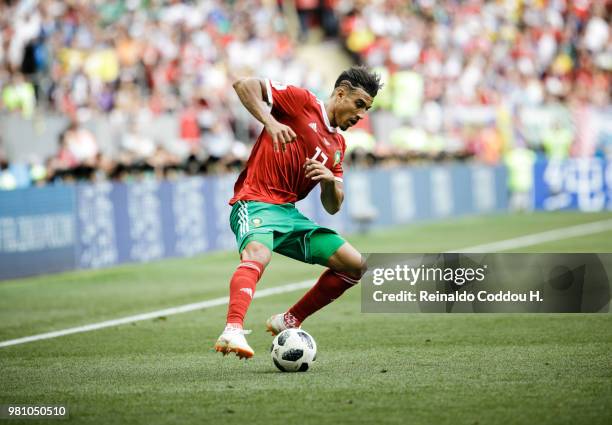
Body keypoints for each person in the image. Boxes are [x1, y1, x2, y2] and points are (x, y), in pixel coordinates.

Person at [215, 66, 382, 358]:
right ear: (340, 93)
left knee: (354, 266)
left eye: (366, 109)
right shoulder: (301, 101)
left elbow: (333, 206)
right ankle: (232, 330)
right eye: (359, 104)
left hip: (289, 215)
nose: (361, 115)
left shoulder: (338, 145)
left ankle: (289, 320)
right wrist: (270, 122)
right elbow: (244, 85)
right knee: (258, 254)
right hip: (255, 200)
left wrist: (329, 182)